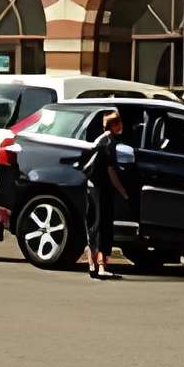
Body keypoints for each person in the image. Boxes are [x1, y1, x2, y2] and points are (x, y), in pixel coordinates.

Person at [79, 106, 132, 280]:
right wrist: (123, 192)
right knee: (103, 226)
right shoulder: (109, 142)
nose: (121, 125)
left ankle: (92, 264)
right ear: (114, 125)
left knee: (93, 225)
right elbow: (110, 171)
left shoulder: (99, 140)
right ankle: (102, 266)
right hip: (103, 188)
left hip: (91, 186)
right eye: (119, 122)